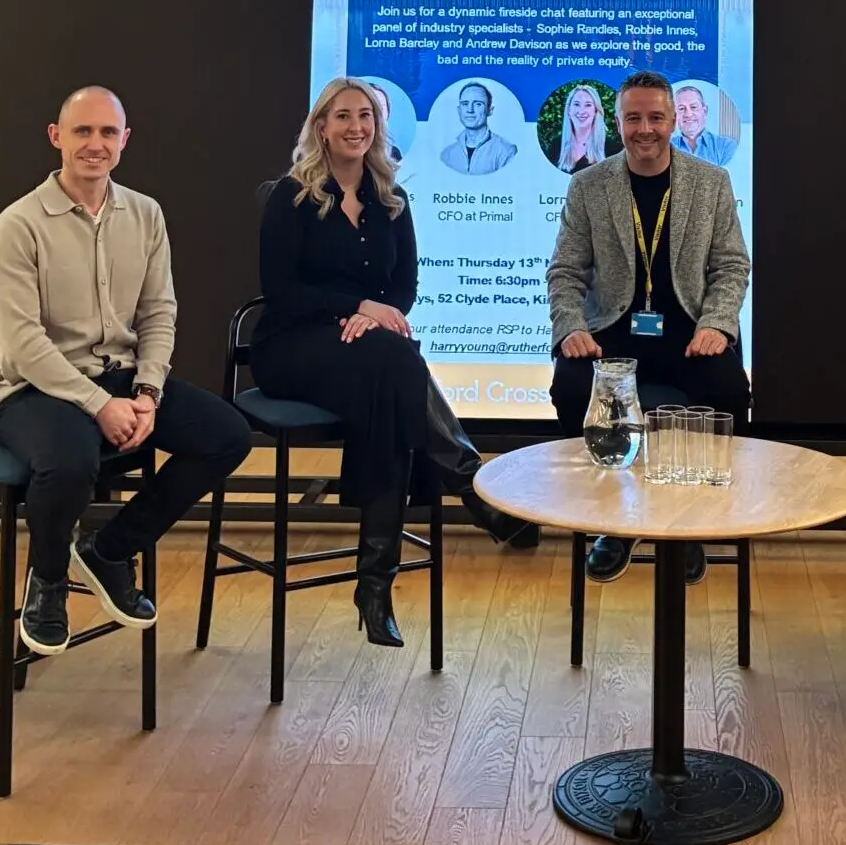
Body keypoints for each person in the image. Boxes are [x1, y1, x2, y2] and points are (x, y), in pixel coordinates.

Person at [254, 78, 534, 649]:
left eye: (366, 116)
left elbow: (404, 288)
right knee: (396, 360)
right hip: (292, 346)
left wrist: (375, 317)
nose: (356, 126)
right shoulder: (291, 196)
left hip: (367, 353)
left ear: (378, 127)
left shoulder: (392, 200)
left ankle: (374, 585)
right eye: (342, 116)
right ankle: (468, 487)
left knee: (389, 378)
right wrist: (356, 308)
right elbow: (280, 291)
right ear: (321, 127)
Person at [0, 86, 251, 658]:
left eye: (108, 132)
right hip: (33, 390)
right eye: (82, 131)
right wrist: (98, 404)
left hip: (123, 379)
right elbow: (23, 343)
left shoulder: (145, 214)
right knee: (70, 463)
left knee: (228, 435)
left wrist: (148, 392)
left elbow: (158, 313)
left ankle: (108, 550)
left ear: (124, 141)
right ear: (56, 137)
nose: (95, 144)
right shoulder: (18, 225)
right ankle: (48, 581)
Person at [548, 69, 752, 584]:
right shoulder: (588, 185)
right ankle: (612, 522)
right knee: (569, 385)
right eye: (633, 118)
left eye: (656, 118)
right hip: (612, 338)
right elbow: (565, 271)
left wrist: (718, 324)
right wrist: (570, 327)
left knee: (730, 389)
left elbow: (732, 266)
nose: (645, 129)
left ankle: (688, 525)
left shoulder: (711, 182)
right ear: (617, 123)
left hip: (689, 335)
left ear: (673, 120)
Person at [439, 81, 515, 175]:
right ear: (459, 110)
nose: (470, 110)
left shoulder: (506, 151)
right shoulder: (447, 155)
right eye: (465, 104)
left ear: (489, 110)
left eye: (478, 104)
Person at [671, 85, 737, 167]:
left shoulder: (726, 146)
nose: (688, 114)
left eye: (693, 107)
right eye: (681, 108)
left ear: (705, 111)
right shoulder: (664, 148)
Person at [556, 84, 608, 173]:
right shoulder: (556, 146)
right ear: (568, 110)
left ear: (596, 111)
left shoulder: (611, 148)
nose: (581, 111)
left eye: (588, 105)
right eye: (576, 104)